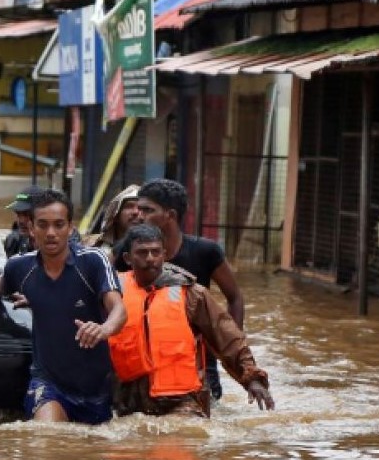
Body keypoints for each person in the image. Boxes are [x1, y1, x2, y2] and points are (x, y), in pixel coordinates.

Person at [0, 189, 126, 425]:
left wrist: (103, 329)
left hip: (95, 387)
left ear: (70, 228)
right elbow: (0, 284)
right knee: (48, 440)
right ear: (31, 228)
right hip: (48, 383)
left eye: (59, 225)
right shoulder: (20, 267)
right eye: (43, 225)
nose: (51, 233)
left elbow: (119, 310)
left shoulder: (93, 261)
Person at [108, 224, 274, 417]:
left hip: (182, 401)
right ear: (128, 258)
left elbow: (227, 337)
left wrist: (252, 378)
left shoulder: (191, 294)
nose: (150, 258)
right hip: (126, 401)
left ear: (165, 254)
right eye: (142, 253)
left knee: (182, 438)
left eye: (155, 252)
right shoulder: (112, 292)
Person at [132, 178, 244, 401]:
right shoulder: (132, 254)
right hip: (147, 360)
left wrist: (229, 347)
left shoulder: (205, 252)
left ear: (170, 215)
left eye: (147, 210)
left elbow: (235, 298)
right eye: (138, 209)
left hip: (199, 360)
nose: (139, 216)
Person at [86, 184, 139, 258]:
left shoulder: (157, 250)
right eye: (129, 206)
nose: (136, 212)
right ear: (115, 215)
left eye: (141, 207)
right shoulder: (92, 247)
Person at [3, 185, 41, 258]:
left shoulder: (60, 246)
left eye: (26, 214)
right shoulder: (13, 241)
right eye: (18, 214)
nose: (21, 221)